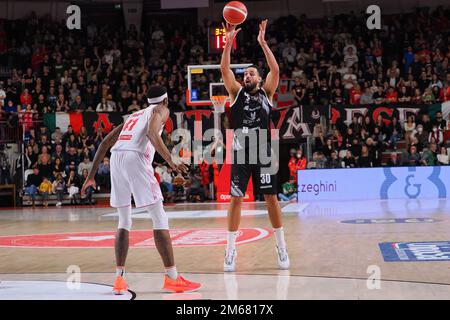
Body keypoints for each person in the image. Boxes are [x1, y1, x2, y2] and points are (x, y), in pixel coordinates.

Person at [81, 85, 200, 295]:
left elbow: (106, 143)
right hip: (135, 158)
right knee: (159, 217)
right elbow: (152, 133)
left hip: (117, 157)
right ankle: (172, 278)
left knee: (124, 220)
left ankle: (119, 279)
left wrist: (91, 176)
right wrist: (172, 162)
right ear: (165, 100)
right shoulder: (161, 110)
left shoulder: (134, 116)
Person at [220, 21, 289, 272]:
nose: (246, 76)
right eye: (245, 74)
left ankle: (281, 246)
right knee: (236, 199)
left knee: (271, 197)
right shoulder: (236, 92)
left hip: (263, 149)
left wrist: (262, 43)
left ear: (259, 79)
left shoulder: (267, 94)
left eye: (251, 73)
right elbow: (224, 68)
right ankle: (230, 250)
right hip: (240, 150)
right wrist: (227, 43)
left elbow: (276, 69)